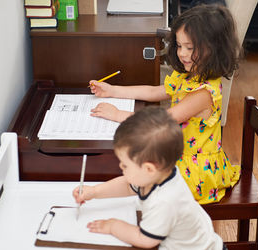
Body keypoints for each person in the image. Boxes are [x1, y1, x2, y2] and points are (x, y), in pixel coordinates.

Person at [88, 4, 241, 205]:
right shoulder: (189, 76)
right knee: (137, 171)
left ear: (214, 49)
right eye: (179, 46)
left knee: (140, 176)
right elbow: (153, 91)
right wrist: (113, 90)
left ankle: (137, 223)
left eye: (190, 47)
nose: (182, 54)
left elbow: (162, 122)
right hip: (177, 154)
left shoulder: (204, 93)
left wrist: (118, 114)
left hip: (195, 171)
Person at [73, 106, 224, 249]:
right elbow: (127, 186)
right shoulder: (158, 174)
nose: (121, 167)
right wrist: (94, 192)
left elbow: (145, 239)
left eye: (125, 165)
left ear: (149, 169)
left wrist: (113, 226)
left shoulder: (163, 201)